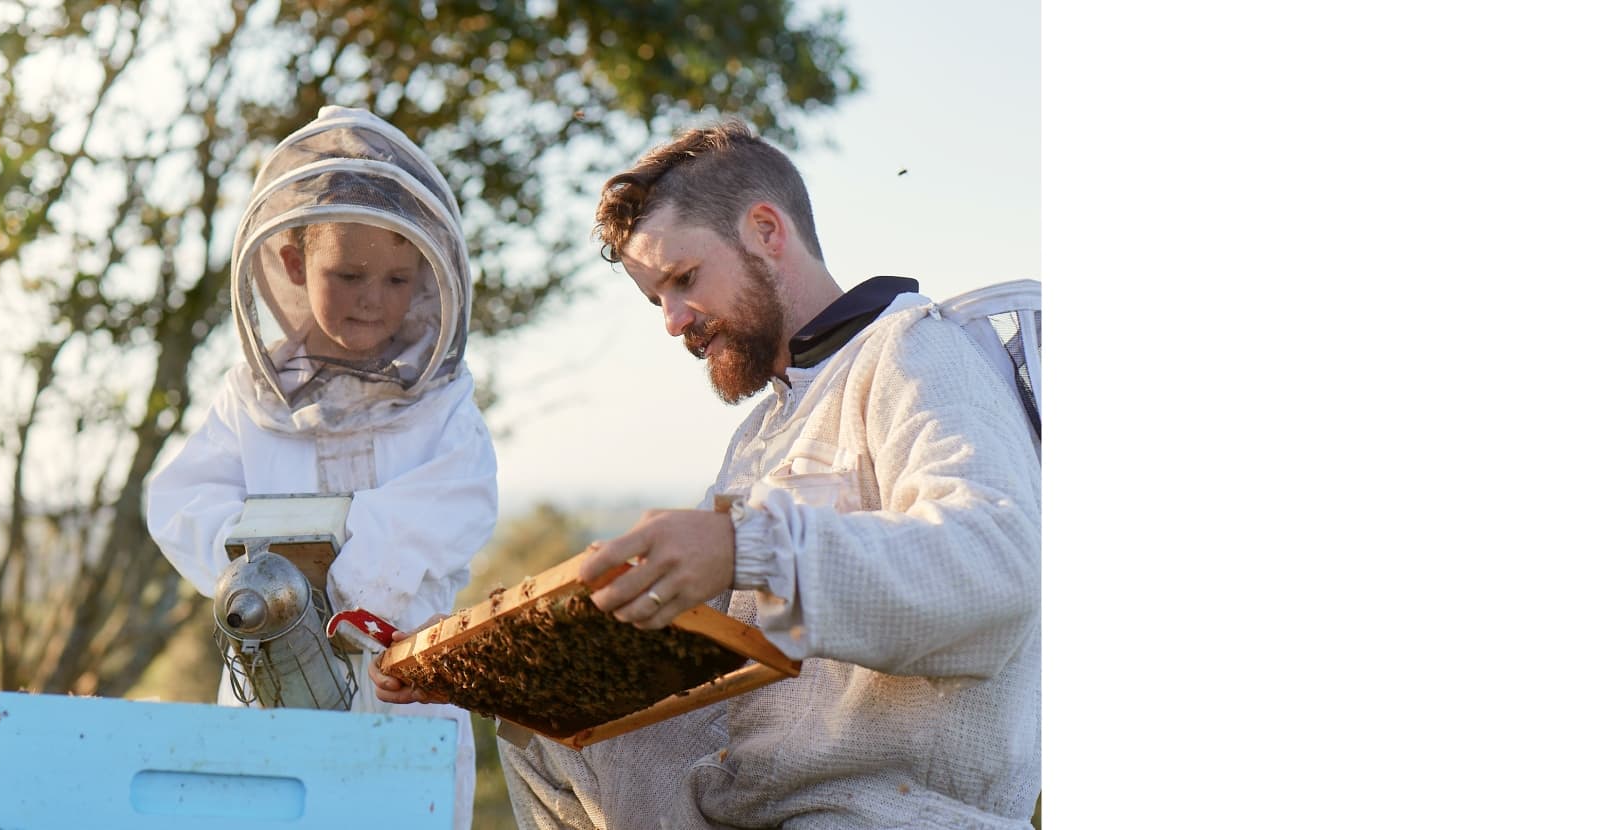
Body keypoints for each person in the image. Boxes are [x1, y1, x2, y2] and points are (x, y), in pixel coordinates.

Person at [394, 120, 1042, 828]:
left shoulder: (919, 351)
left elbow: (998, 562)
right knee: (547, 743)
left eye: (684, 280)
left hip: (889, 811)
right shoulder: (762, 432)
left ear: (767, 231)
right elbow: (695, 652)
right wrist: (492, 662)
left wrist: (745, 547)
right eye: (656, 301)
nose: (672, 321)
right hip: (757, 804)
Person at [145, 105, 496, 828]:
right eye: (350, 272)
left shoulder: (442, 403)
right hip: (271, 675)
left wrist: (344, 562)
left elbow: (459, 500)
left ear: (429, 274)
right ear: (295, 262)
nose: (374, 298)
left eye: (399, 280)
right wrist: (268, 574)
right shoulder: (252, 393)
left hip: (407, 675)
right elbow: (180, 497)